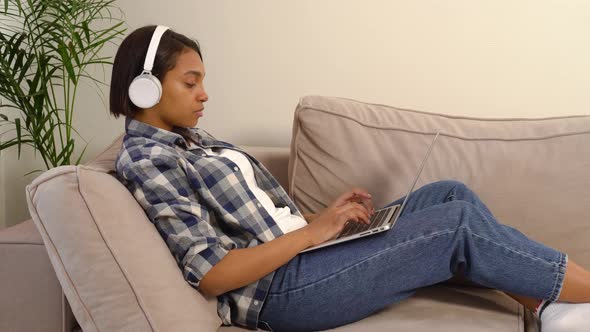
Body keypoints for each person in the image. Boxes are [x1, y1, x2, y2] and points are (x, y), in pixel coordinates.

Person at [110, 25, 590, 332]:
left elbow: (260, 223)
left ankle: (553, 312)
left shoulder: (192, 141)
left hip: (301, 259)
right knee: (456, 223)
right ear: (145, 87)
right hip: (280, 294)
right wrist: (313, 234)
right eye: (190, 82)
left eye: (202, 82)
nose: (204, 94)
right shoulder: (149, 160)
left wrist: (324, 222)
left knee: (449, 193)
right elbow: (213, 275)